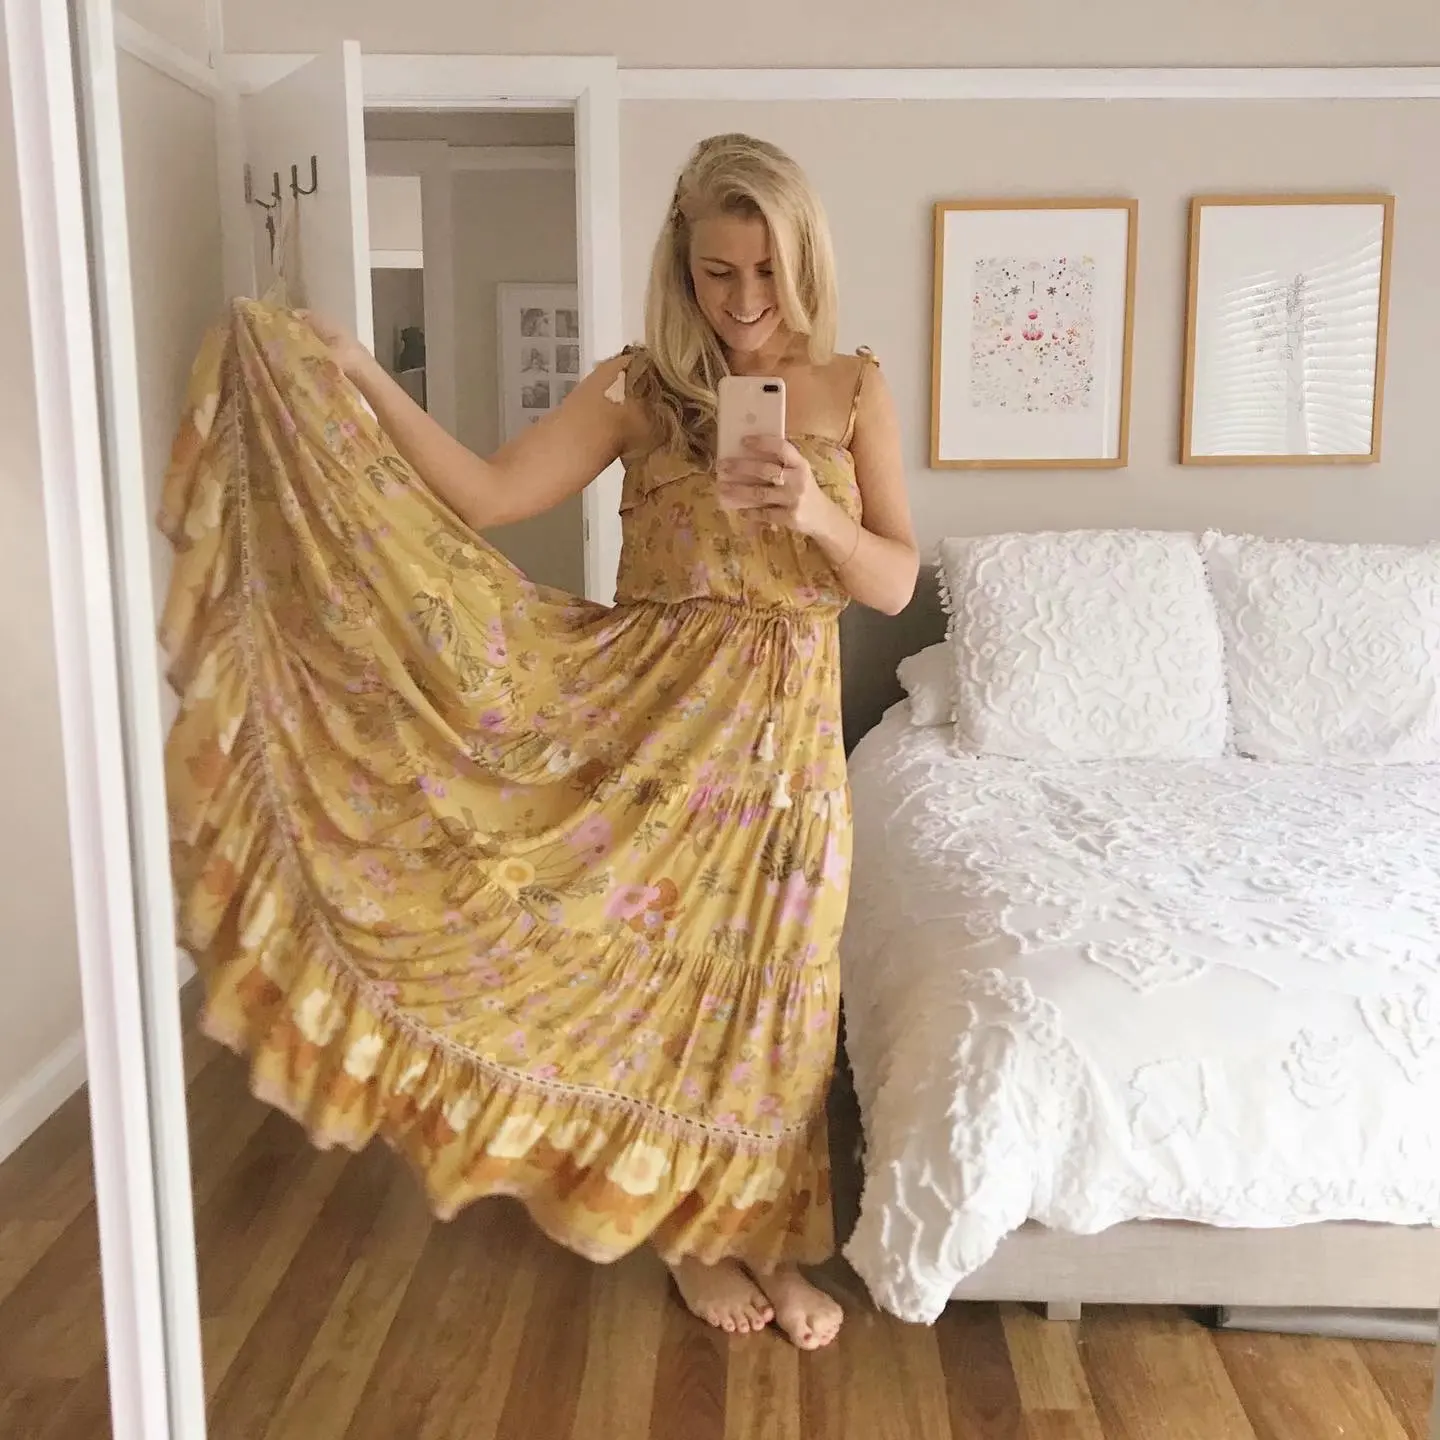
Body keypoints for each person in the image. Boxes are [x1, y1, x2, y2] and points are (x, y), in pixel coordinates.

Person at [159, 132, 917, 1350]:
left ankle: (768, 1243)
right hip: (653, 738)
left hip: (787, 760)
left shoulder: (855, 389)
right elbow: (487, 494)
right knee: (659, 994)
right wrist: (358, 371)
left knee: (779, 998)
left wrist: (818, 514)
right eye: (718, 272)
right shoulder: (636, 389)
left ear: (806, 261)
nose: (744, 301)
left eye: (768, 271)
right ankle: (686, 1239)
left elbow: (893, 581)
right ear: (682, 264)